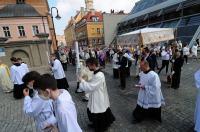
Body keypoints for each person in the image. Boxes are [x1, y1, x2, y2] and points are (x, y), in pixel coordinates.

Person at [79, 58, 115, 132]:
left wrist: (82, 81)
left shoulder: (99, 75)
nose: (88, 68)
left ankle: (101, 127)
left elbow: (91, 87)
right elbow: (92, 82)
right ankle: (96, 124)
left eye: (88, 66)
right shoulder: (95, 72)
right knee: (93, 110)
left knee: (98, 111)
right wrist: (85, 79)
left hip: (98, 96)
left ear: (93, 65)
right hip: (95, 94)